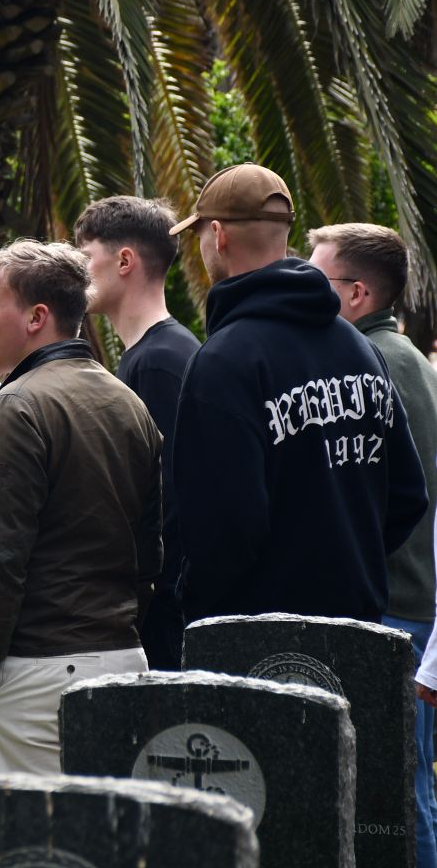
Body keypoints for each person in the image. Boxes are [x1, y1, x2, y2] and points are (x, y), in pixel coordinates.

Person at [168, 165, 426, 625]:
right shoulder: (360, 348)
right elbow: (407, 494)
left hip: (259, 642)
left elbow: (223, 528)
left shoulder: (223, 362)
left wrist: (194, 605)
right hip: (360, 633)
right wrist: (346, 563)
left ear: (218, 235)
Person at [0, 240, 160, 775]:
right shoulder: (127, 401)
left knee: (22, 854)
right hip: (120, 661)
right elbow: (151, 553)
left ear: (37, 317)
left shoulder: (19, 403)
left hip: (33, 678)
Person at [308, 221, 437, 868]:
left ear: (356, 293)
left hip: (394, 610)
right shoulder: (407, 357)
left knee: (398, 796)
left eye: (316, 278)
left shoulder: (371, 363)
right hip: (412, 608)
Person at [75, 196, 200, 669]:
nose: (77, 270)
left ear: (124, 260)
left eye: (86, 257)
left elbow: (165, 499)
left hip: (161, 617)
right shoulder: (157, 353)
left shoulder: (158, 360)